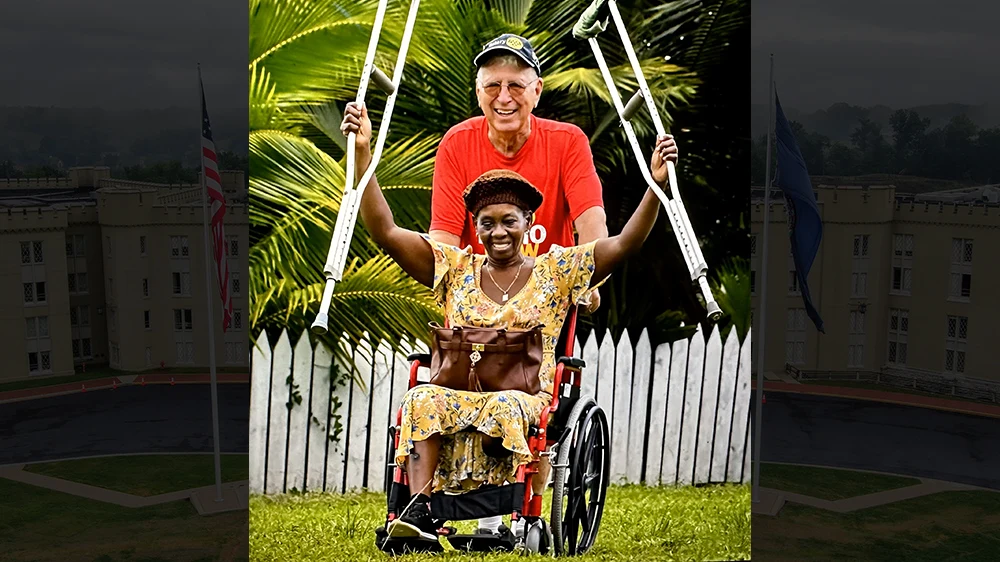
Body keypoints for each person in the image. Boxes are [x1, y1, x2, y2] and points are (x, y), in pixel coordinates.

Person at [340, 101, 678, 540]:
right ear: (474, 226)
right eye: (486, 223)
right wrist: (362, 154)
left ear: (528, 222)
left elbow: (624, 245)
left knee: (505, 405)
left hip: (525, 397)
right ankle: (420, 514)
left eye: (508, 221)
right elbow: (385, 231)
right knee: (422, 399)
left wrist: (655, 187)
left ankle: (501, 518)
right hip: (461, 392)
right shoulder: (454, 268)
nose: (498, 232)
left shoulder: (556, 270)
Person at [426, 33, 678, 528]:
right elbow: (441, 236)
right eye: (492, 85)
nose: (504, 96)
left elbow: (591, 221)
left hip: (544, 297)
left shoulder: (566, 142)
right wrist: (447, 284)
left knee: (535, 386)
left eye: (516, 85)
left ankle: (522, 506)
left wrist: (591, 281)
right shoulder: (457, 143)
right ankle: (458, 503)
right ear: (478, 92)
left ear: (537, 90)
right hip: (479, 299)